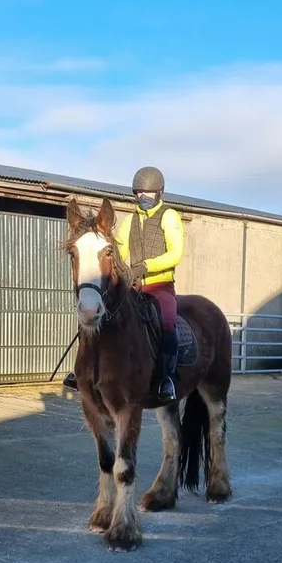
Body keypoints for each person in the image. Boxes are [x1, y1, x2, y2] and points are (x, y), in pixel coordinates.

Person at [64, 165, 184, 403]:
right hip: (134, 285)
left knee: (167, 322)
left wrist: (145, 266)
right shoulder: (129, 221)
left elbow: (176, 253)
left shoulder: (169, 216)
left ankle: (165, 379)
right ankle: (83, 371)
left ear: (159, 192)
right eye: (139, 192)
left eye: (148, 192)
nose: (143, 196)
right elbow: (118, 252)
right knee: (97, 314)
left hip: (160, 285)